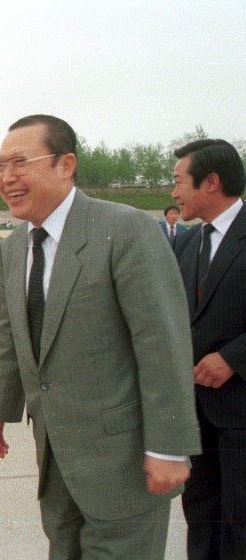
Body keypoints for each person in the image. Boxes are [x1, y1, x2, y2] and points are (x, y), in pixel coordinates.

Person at [0, 115, 200, 560]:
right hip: (55, 453)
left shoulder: (126, 229)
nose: (6, 177)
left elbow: (162, 343)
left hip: (123, 459)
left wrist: (170, 446)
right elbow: (9, 339)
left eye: (20, 162)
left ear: (66, 165)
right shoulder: (12, 248)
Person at [171, 139, 246, 559]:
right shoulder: (186, 243)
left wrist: (234, 358)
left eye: (179, 180)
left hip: (240, 411)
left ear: (212, 182)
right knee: (201, 516)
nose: (173, 191)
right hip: (196, 414)